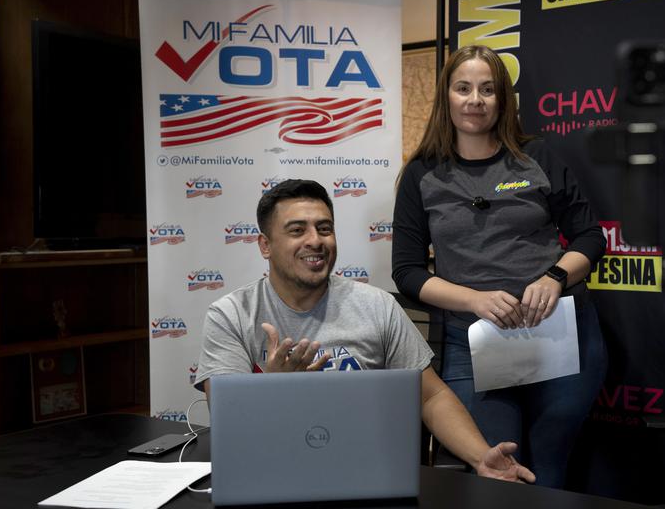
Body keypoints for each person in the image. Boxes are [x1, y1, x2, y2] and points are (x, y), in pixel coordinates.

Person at [194, 178, 534, 484]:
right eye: (297, 231)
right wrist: (274, 390)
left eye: (324, 229)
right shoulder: (231, 315)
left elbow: (430, 396)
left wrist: (480, 457)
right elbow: (229, 423)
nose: (315, 241)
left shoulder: (377, 306)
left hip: (367, 473)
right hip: (269, 475)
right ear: (265, 245)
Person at [392, 45, 608, 489]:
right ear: (447, 97)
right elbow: (408, 271)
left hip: (560, 338)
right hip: (473, 346)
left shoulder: (537, 157)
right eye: (464, 88)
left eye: (488, 90)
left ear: (503, 100)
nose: (476, 100)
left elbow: (590, 236)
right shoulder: (421, 174)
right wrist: (473, 298)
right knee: (497, 472)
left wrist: (555, 277)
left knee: (549, 472)